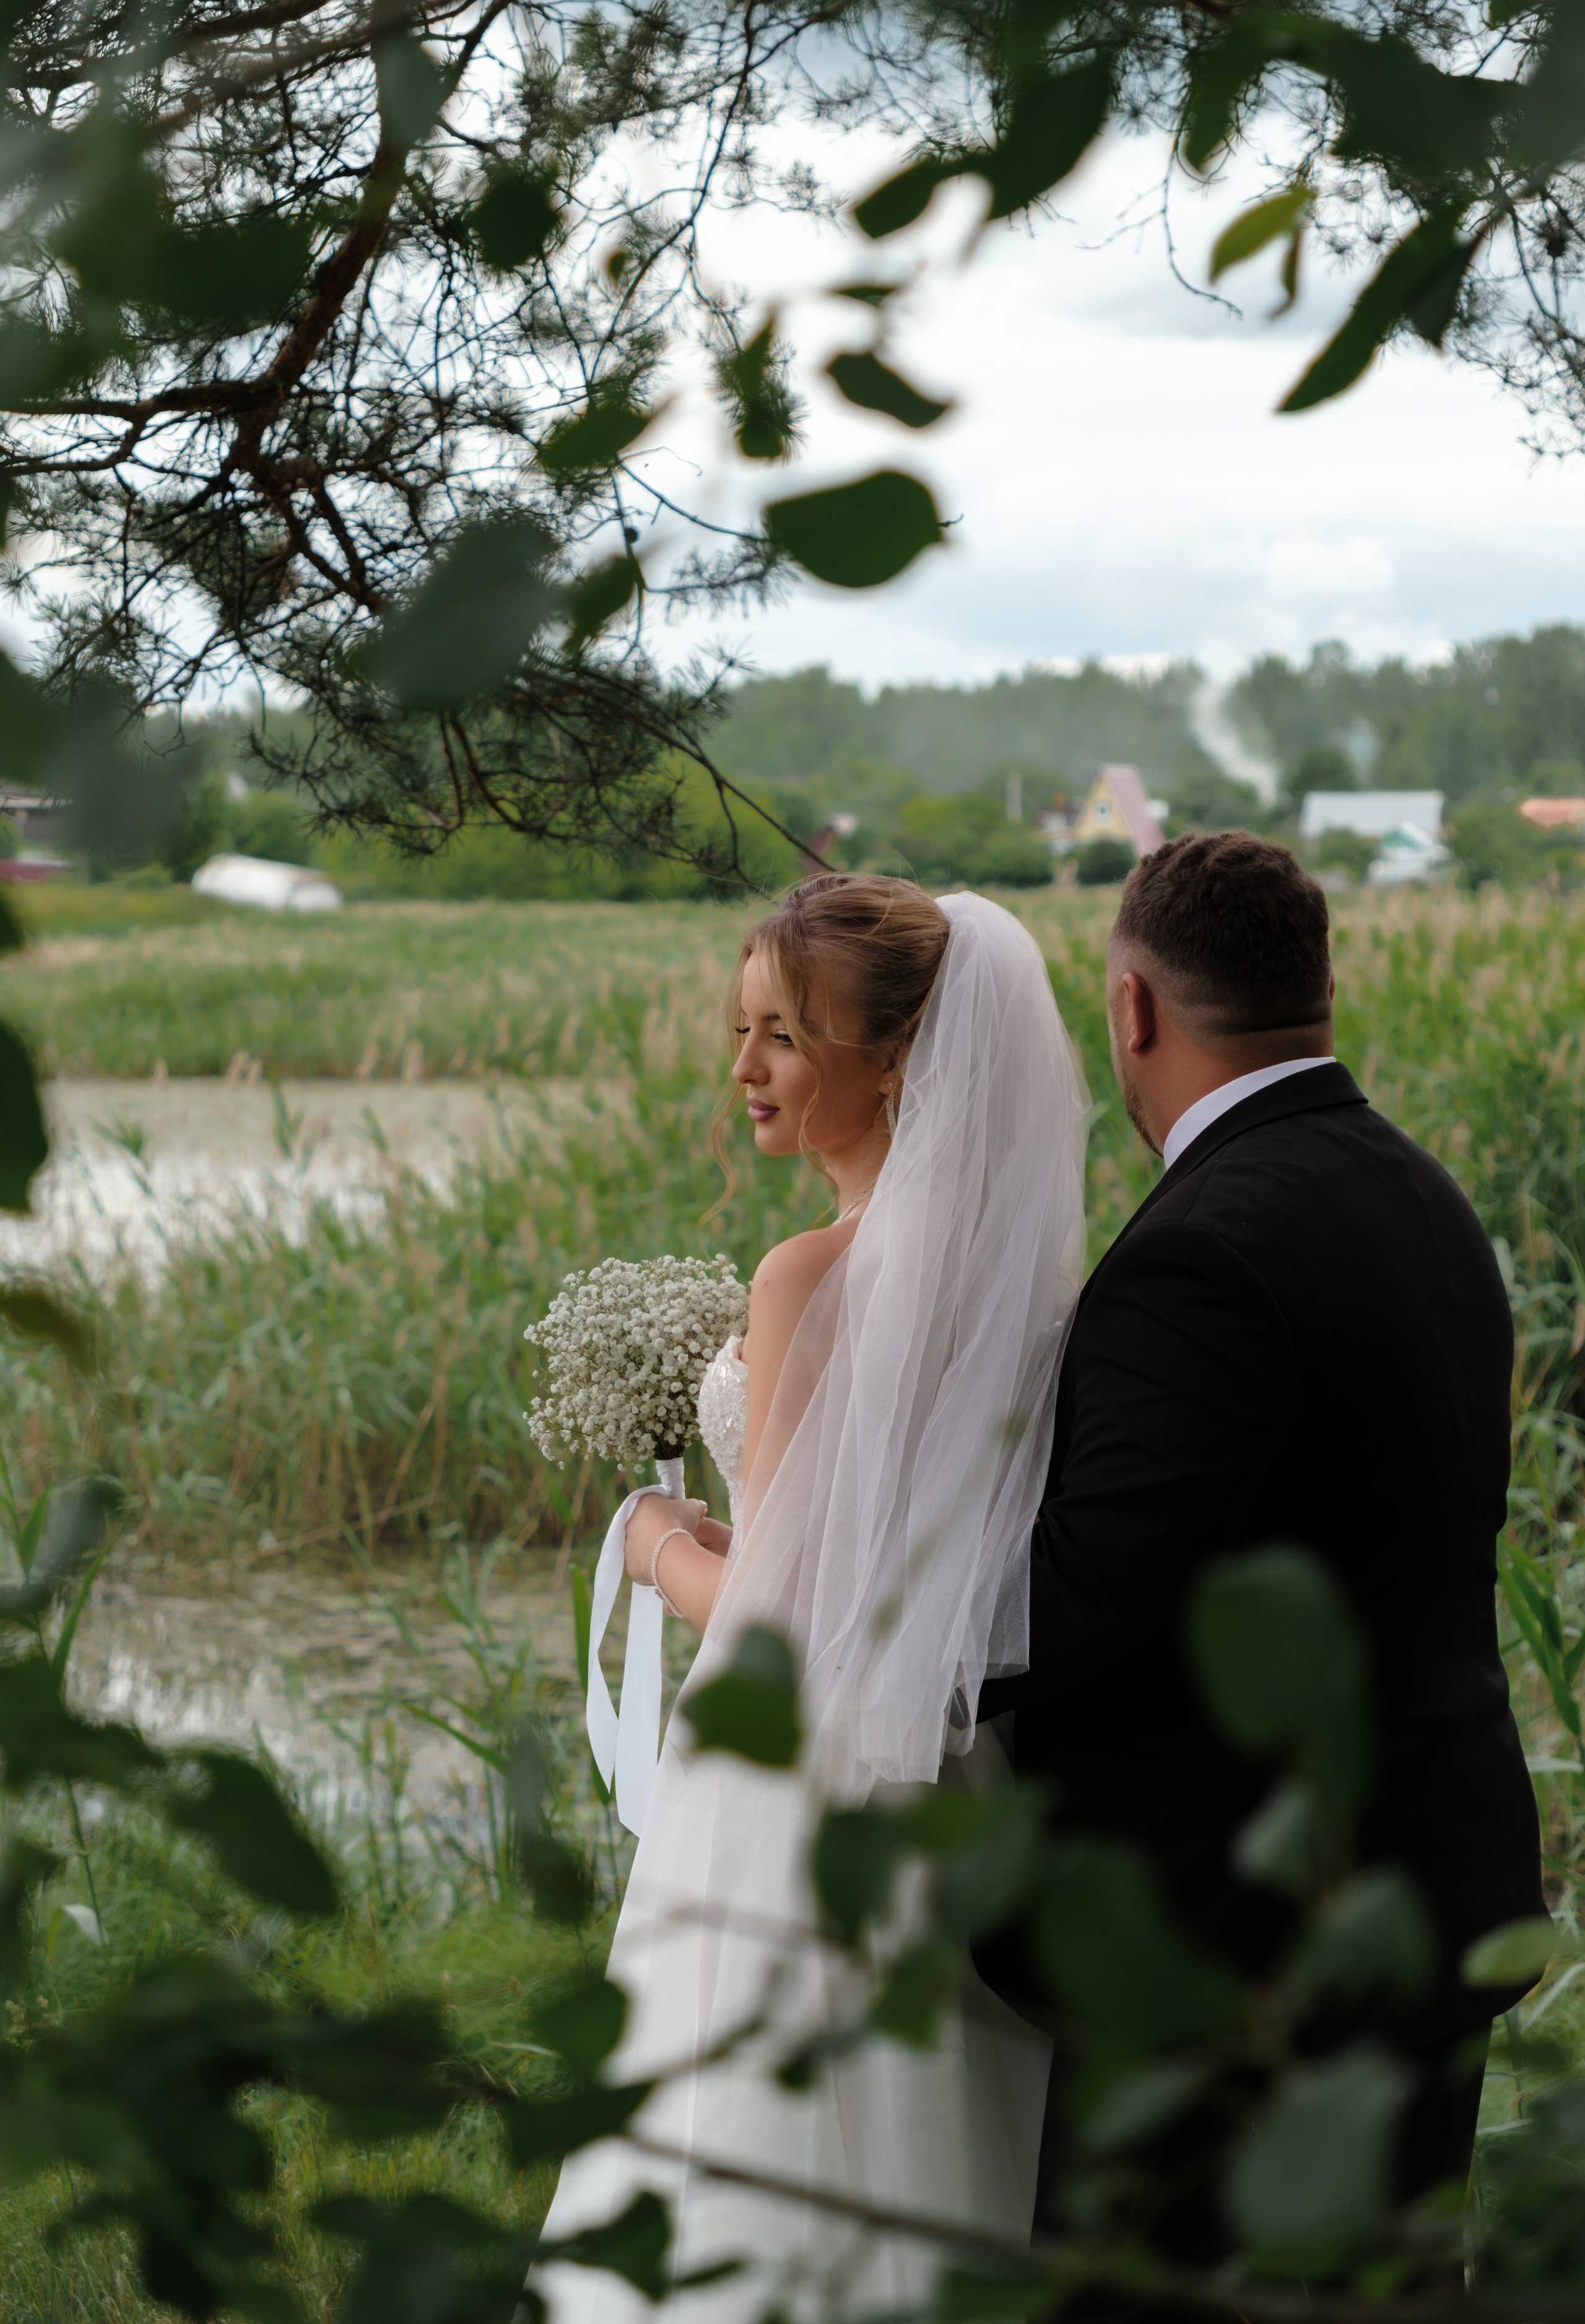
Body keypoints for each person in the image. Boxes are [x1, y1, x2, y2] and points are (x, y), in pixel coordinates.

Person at [536, 873, 1090, 2324]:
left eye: (784, 1036)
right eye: (742, 1031)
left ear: (896, 1055)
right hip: (953, 1772)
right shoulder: (1027, 1285)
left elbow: (773, 1629)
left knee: (730, 2135)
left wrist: (654, 1545)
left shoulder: (808, 1277)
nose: (744, 1071)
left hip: (793, 1785)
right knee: (915, 2134)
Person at [976, 830, 1545, 2236]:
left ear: (1133, 1009)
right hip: (1434, 1880)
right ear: (1317, 986)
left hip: (1246, 1946)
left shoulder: (1196, 1254)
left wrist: (846, 1601)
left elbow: (1084, 1611)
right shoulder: (1421, 1198)